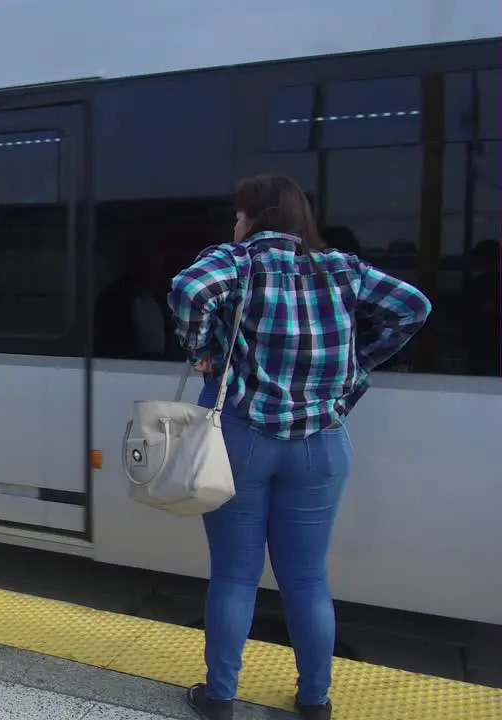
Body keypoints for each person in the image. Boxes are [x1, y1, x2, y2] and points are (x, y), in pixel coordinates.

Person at [167, 175, 431, 720]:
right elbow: (414, 307)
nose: (234, 226)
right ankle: (314, 701)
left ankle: (219, 698)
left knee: (235, 575)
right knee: (308, 579)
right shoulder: (340, 269)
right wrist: (359, 363)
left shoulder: (238, 262)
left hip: (243, 439)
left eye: (238, 215)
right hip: (321, 446)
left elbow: (189, 291)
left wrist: (202, 350)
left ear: (253, 217)